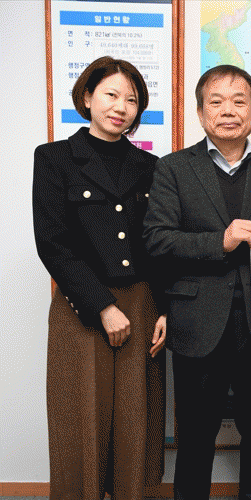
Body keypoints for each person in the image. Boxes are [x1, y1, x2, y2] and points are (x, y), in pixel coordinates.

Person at [143, 65, 251, 500]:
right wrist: (221, 241)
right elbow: (157, 240)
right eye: (216, 102)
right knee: (196, 434)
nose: (228, 111)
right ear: (200, 113)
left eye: (239, 101)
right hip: (197, 322)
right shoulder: (174, 169)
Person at [33, 56, 166, 500]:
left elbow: (157, 243)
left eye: (132, 99)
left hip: (142, 304)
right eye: (111, 95)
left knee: (135, 421)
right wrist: (103, 306)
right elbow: (52, 242)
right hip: (82, 306)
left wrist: (165, 309)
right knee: (80, 421)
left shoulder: (151, 166)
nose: (121, 107)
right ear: (88, 97)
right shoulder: (53, 158)